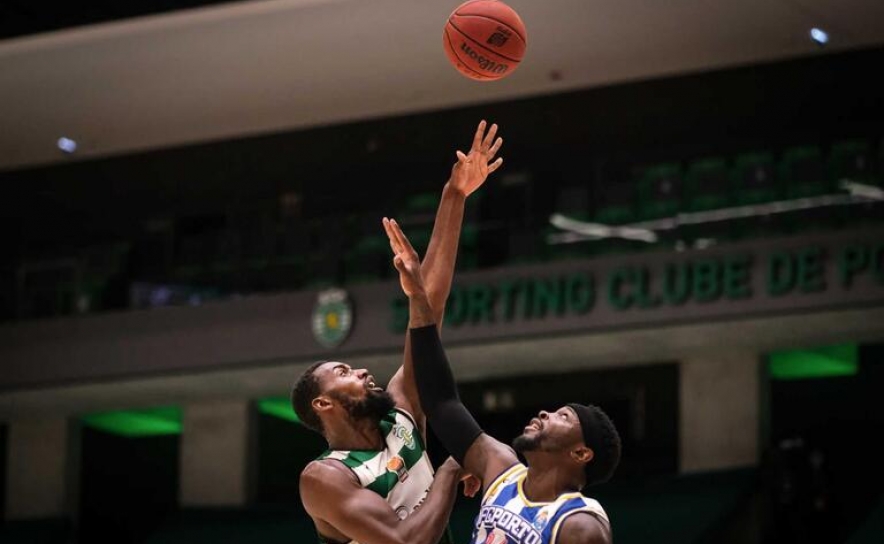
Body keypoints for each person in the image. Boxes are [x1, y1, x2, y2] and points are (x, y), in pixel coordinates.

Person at [293, 121, 504, 544]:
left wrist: (455, 195)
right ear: (322, 403)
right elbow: (406, 541)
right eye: (345, 372)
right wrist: (450, 465)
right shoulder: (324, 476)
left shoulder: (401, 413)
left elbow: (431, 310)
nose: (362, 371)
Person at [382, 217, 622, 544]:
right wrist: (418, 298)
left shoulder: (579, 525)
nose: (544, 414)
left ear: (581, 454)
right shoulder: (502, 469)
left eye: (563, 417)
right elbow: (441, 402)